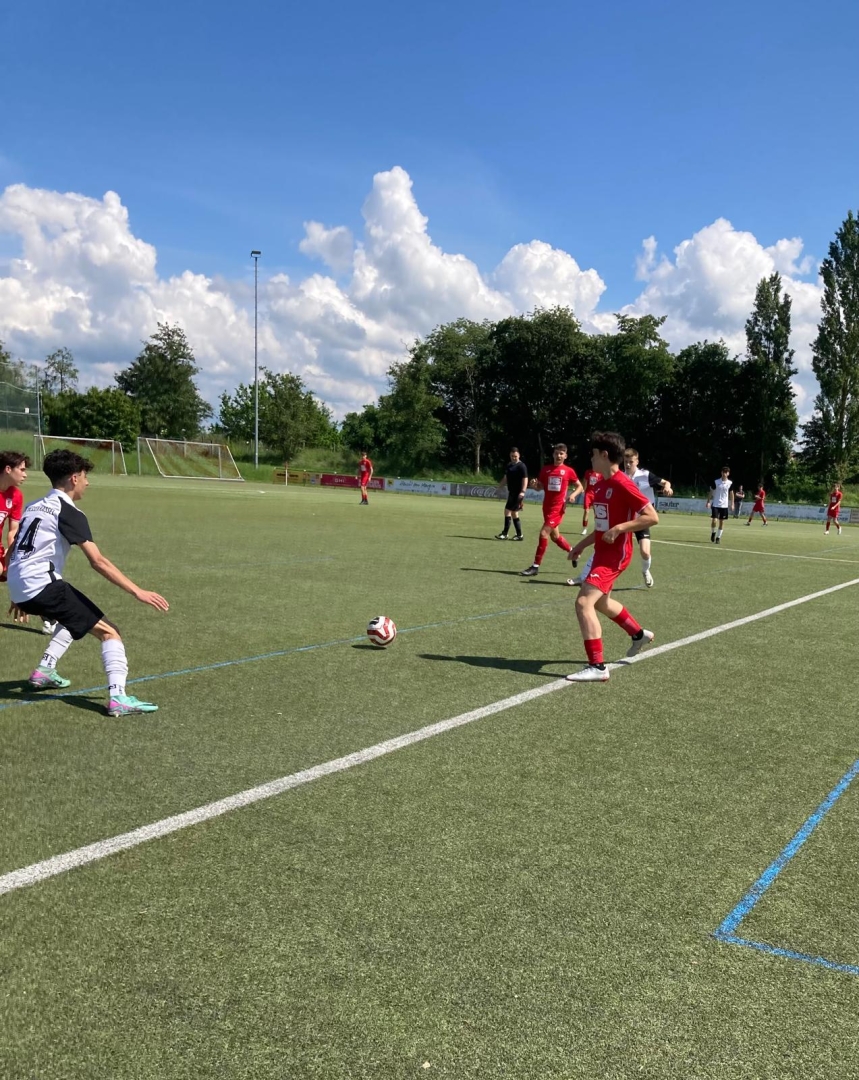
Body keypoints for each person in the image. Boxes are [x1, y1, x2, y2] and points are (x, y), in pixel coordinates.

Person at [6, 449, 169, 717]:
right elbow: (98, 561)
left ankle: (45, 670)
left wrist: (16, 592)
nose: (87, 483)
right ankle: (118, 698)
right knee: (110, 632)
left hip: (20, 586)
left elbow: (14, 550)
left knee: (75, 617)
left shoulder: (33, 506)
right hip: (41, 585)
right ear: (74, 478)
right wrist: (138, 591)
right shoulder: (68, 511)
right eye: (84, 477)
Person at [565, 432, 658, 683]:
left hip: (616, 555)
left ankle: (597, 666)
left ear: (605, 456)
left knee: (583, 602)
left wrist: (620, 528)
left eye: (594, 454)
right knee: (601, 603)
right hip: (601, 553)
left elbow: (652, 517)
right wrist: (580, 546)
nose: (591, 459)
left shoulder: (622, 483)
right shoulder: (600, 485)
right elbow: (601, 528)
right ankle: (638, 634)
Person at [520, 444, 583, 577]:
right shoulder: (546, 470)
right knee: (555, 537)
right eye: (556, 453)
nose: (558, 456)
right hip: (546, 508)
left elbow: (580, 487)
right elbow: (540, 487)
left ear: (565, 456)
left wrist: (573, 495)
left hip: (558, 509)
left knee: (544, 533)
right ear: (553, 454)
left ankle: (535, 566)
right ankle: (574, 552)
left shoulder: (568, 471)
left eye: (561, 453)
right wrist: (534, 485)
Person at [623, 447, 673, 587]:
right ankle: (590, 575)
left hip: (642, 519)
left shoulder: (645, 475)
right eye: (625, 462)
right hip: (625, 519)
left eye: (631, 462)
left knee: (645, 552)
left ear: (637, 461)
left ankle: (645, 571)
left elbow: (665, 482)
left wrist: (667, 487)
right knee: (610, 548)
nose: (628, 465)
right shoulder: (620, 476)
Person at [0, 450, 28, 584]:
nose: (25, 475)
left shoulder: (16, 496)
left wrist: (13, 554)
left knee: (9, 570)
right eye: (22, 470)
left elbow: (13, 531)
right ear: (8, 469)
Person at [495, 447, 528, 540]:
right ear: (510, 455)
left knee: (507, 511)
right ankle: (519, 535)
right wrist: (499, 487)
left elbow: (525, 479)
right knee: (514, 513)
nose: (514, 458)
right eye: (512, 456)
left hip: (517, 493)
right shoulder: (509, 465)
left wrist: (523, 491)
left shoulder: (522, 466)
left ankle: (505, 534)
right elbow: (506, 478)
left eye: (515, 456)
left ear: (519, 455)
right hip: (511, 492)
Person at [706, 467, 734, 544]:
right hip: (716, 504)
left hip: (724, 505)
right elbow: (711, 492)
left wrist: (732, 504)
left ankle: (718, 538)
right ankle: (713, 532)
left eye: (726, 472)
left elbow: (731, 494)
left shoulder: (730, 483)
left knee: (721, 522)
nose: (724, 473)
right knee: (714, 520)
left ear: (728, 473)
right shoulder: (716, 482)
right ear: (721, 473)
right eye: (723, 472)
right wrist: (708, 501)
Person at [580, 468, 601, 534]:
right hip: (588, 494)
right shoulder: (588, 472)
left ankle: (597, 528)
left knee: (596, 513)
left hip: (596, 494)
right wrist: (583, 490)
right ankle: (584, 528)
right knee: (586, 511)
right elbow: (585, 481)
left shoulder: (600, 473)